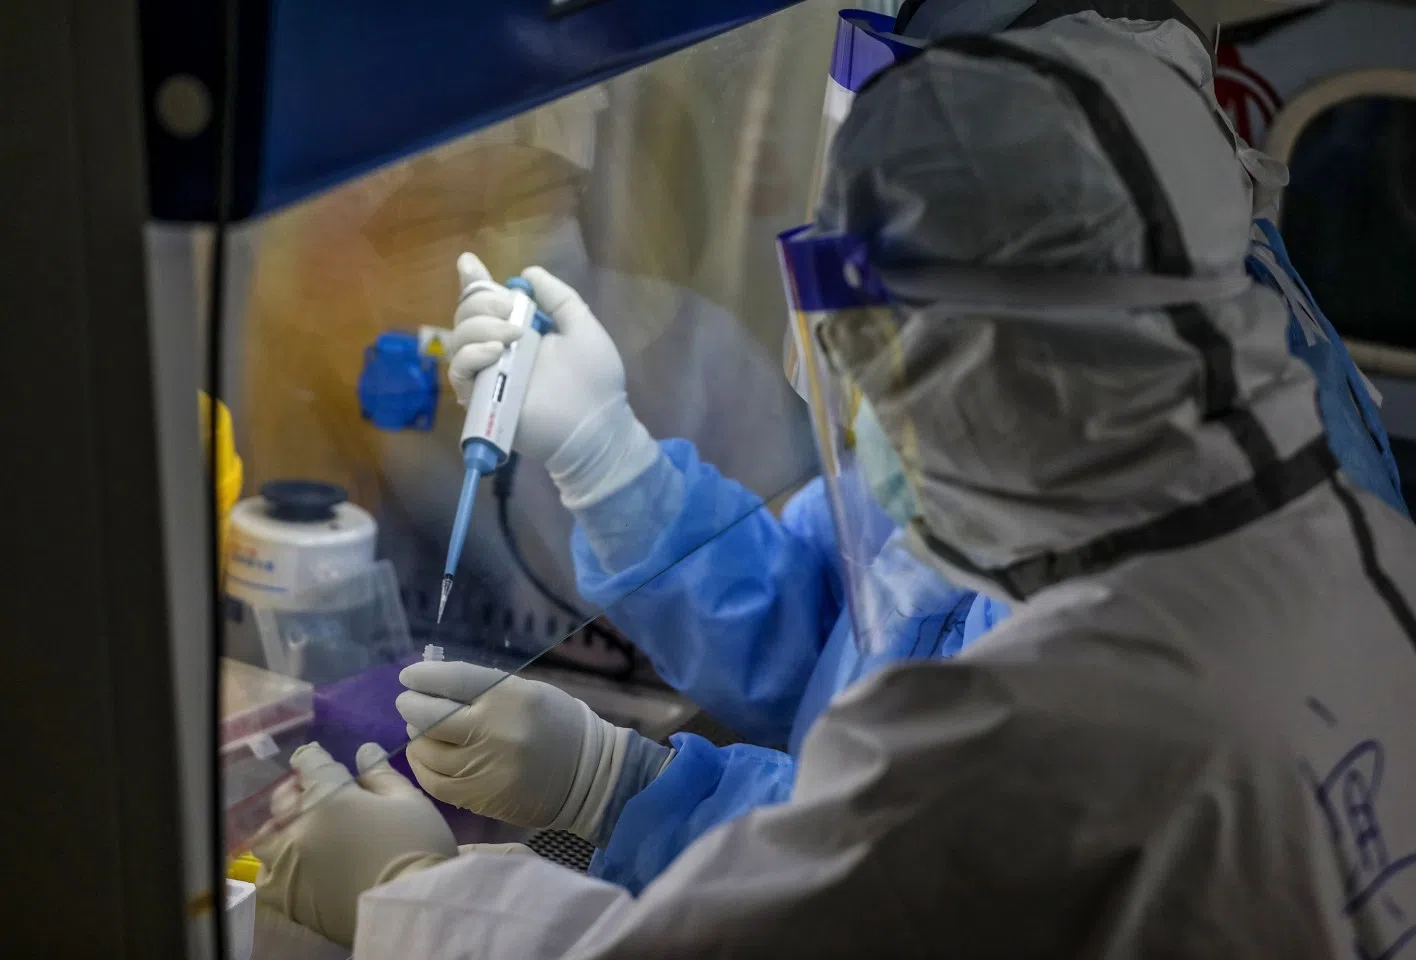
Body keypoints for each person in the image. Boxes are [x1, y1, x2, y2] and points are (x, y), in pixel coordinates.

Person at [252, 12, 1416, 958]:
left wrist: (413, 892)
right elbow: (852, 610)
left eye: (879, 349)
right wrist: (608, 459)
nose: (856, 399)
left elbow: (873, 869)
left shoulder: (1060, 740)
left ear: (987, 352)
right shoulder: (1189, 475)